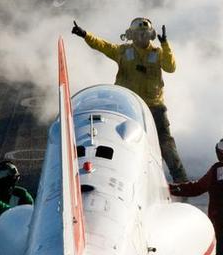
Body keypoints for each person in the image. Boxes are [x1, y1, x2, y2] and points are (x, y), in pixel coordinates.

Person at [72, 16, 187, 181]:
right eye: (139, 34)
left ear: (151, 35)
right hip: (127, 106)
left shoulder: (158, 53)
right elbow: (103, 46)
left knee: (166, 145)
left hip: (154, 107)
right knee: (125, 143)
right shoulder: (123, 52)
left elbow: (171, 67)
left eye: (145, 34)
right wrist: (85, 35)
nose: (142, 37)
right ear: (131, 35)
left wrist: (165, 45)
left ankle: (181, 181)